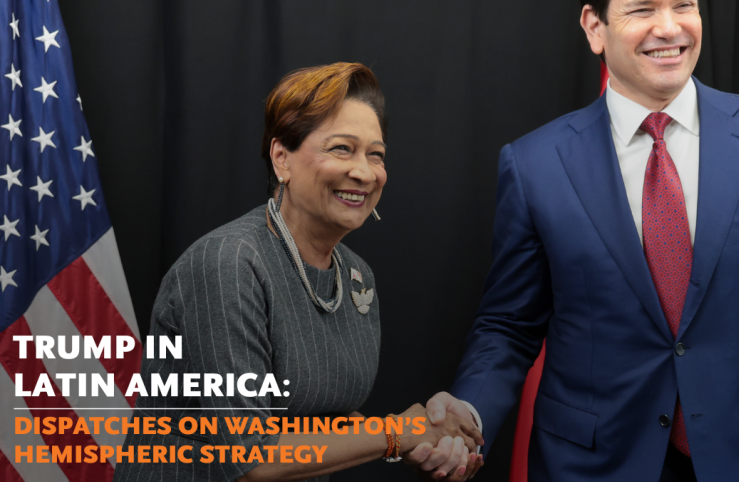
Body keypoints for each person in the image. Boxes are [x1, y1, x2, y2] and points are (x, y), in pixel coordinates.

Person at [423, 0, 739, 482]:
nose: (670, 27)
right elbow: (509, 325)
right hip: (589, 465)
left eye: (684, 4)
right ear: (594, 27)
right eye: (642, 9)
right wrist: (467, 416)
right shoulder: (535, 164)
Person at [115, 63, 482, 482]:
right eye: (342, 148)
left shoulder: (356, 276)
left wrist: (423, 437)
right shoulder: (229, 263)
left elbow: (322, 416)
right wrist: (401, 431)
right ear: (281, 158)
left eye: (375, 154)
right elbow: (250, 457)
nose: (364, 171)